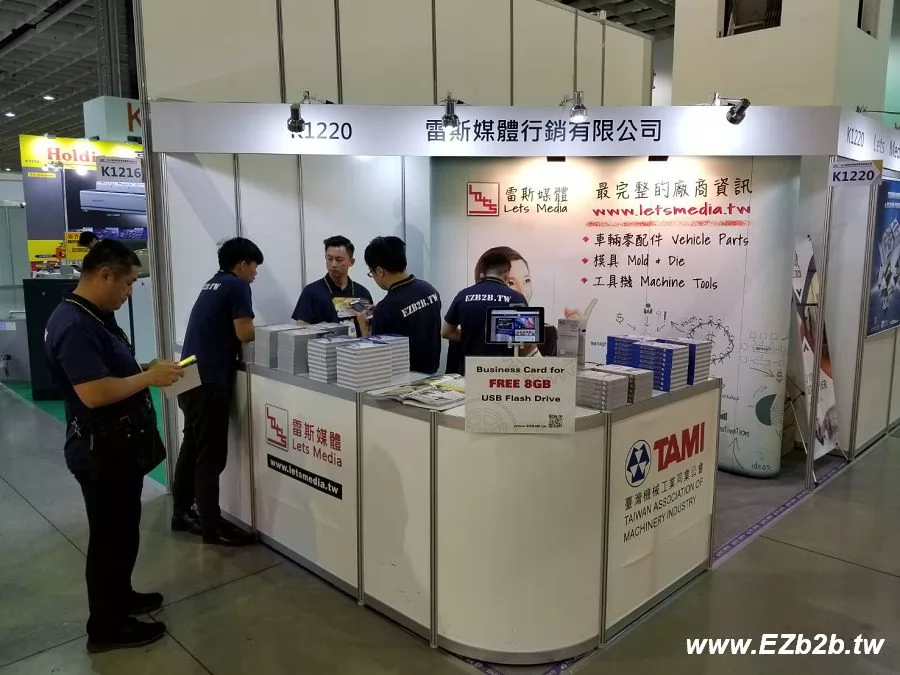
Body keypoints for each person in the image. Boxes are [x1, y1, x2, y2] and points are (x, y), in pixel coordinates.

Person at [45, 240, 184, 652]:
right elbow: (94, 392)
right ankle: (106, 628)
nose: (129, 292)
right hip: (100, 451)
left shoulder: (92, 315)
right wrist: (148, 379)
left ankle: (121, 598)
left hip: (117, 447)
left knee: (122, 532)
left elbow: (108, 369)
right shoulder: (74, 324)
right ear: (104, 274)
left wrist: (144, 368)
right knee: (109, 540)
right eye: (127, 283)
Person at [172, 237, 262, 546]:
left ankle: (182, 512)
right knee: (211, 458)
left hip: (188, 375)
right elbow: (245, 332)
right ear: (242, 264)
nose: (255, 273)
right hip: (209, 382)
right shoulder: (237, 286)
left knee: (192, 448)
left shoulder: (212, 283)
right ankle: (211, 525)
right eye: (254, 267)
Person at [356, 236, 441, 374]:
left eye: (371, 273)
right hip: (432, 372)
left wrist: (364, 329)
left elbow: (375, 360)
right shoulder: (428, 289)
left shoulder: (386, 308)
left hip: (404, 379)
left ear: (379, 271)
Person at [442, 250, 528, 375]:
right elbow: (524, 343)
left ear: (483, 272)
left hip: (470, 372)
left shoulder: (463, 295)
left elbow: (446, 332)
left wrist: (472, 336)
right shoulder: (517, 298)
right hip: (502, 373)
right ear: (507, 274)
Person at [292, 235, 373, 334]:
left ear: (351, 262)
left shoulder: (362, 293)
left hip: (358, 343)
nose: (333, 264)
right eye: (329, 259)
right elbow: (301, 331)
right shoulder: (311, 292)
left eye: (339, 260)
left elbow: (370, 330)